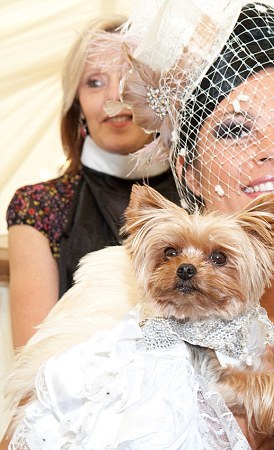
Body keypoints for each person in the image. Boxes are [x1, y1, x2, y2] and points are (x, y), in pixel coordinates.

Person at [3, 3, 274, 449]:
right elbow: (26, 430)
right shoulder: (113, 297)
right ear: (187, 169)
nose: (272, 149)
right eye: (235, 130)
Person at [5, 15, 179, 349]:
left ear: (160, 93)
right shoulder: (39, 205)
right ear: (78, 104)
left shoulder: (203, 195)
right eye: (95, 82)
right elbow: (31, 359)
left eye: (129, 77)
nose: (114, 96)